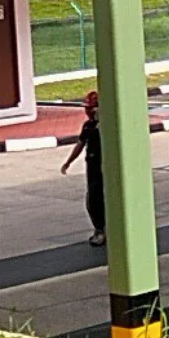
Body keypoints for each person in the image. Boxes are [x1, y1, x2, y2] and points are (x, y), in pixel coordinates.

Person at [60, 90, 103, 245]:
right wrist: (68, 162)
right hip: (92, 167)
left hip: (106, 168)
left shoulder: (106, 125)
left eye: (91, 107)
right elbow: (80, 144)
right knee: (92, 200)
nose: (88, 111)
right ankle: (99, 229)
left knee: (105, 199)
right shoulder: (88, 126)